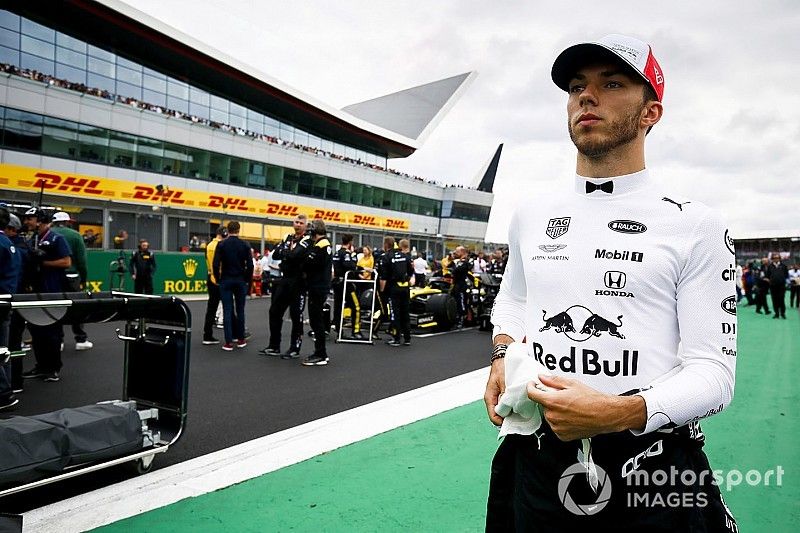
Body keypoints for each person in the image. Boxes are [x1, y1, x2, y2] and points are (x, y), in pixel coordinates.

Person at [485, 35, 737, 531]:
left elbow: (714, 374)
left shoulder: (696, 224)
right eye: (577, 86)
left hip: (651, 466)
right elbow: (513, 298)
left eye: (612, 83)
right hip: (536, 457)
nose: (586, 96)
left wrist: (620, 412)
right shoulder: (532, 212)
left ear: (650, 113)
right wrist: (502, 352)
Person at [21, 208, 72, 383]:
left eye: (30, 218)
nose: (26, 222)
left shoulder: (57, 238)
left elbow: (66, 261)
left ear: (40, 220)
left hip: (52, 290)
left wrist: (43, 262)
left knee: (52, 331)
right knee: (36, 329)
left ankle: (53, 368)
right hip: (35, 290)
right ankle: (41, 366)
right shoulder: (32, 239)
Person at [260, 215, 310, 359]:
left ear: (305, 226)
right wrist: (288, 253)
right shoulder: (288, 237)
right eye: (296, 222)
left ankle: (295, 348)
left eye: (301, 223)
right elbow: (276, 254)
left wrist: (286, 252)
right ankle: (274, 345)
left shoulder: (307, 239)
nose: (298, 225)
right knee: (274, 311)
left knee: (296, 315)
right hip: (285, 279)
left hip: (299, 282)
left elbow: (295, 255)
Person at [51, 211, 93, 351]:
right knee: (77, 308)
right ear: (67, 222)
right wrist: (84, 279)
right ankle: (81, 339)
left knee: (55, 307)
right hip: (72, 276)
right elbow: (82, 261)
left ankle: (58, 341)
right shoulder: (75, 235)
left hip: (52, 276)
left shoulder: (47, 234)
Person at [212, 221, 253, 351]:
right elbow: (250, 265)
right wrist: (247, 279)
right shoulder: (245, 245)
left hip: (226, 279)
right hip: (240, 279)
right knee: (240, 310)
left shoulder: (221, 244)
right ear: (239, 230)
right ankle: (241, 339)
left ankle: (228, 342)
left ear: (228, 230)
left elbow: (215, 264)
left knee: (227, 310)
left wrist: (218, 279)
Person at [301, 220, 332, 366]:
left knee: (316, 320)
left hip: (318, 286)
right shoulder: (322, 244)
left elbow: (309, 263)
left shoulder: (322, 244)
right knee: (315, 320)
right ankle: (320, 352)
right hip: (319, 286)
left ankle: (321, 354)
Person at [0, 208, 21, 410]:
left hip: (1, 299)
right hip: (7, 300)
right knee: (3, 349)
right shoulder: (8, 243)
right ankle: (6, 391)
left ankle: (4, 394)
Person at [380, 237, 413, 347]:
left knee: (395, 314)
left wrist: (382, 291)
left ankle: (396, 338)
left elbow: (384, 276)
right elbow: (410, 271)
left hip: (394, 288)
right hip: (405, 288)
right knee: (405, 313)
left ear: (386, 245)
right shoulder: (404, 255)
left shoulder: (386, 257)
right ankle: (407, 338)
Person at [332, 234, 363, 339]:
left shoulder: (337, 253)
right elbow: (350, 266)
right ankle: (356, 331)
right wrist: (356, 263)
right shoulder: (346, 254)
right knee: (356, 306)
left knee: (338, 307)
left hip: (337, 282)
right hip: (346, 284)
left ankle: (339, 329)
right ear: (350, 242)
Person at [202, 225, 227, 345]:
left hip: (210, 276)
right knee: (228, 306)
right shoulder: (221, 245)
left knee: (211, 308)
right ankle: (237, 333)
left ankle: (207, 335)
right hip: (220, 278)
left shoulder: (209, 245)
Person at [450, 246, 473, 329]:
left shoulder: (466, 262)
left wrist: (455, 268)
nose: (455, 253)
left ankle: (462, 319)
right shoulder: (457, 261)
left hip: (461, 285)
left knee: (461, 302)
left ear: (462, 252)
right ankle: (455, 317)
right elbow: (449, 268)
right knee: (454, 301)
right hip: (455, 285)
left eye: (457, 251)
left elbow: (456, 270)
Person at [766, 253, 789, 319]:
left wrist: (782, 279)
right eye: (774, 258)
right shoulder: (770, 266)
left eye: (777, 258)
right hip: (773, 286)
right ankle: (776, 313)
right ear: (772, 259)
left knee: (781, 299)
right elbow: (767, 275)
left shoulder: (783, 266)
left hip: (781, 286)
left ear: (779, 259)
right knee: (774, 300)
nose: (776, 259)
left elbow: (786, 275)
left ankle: (783, 313)